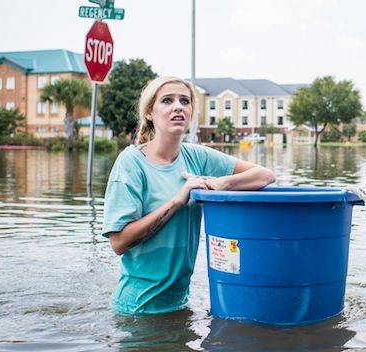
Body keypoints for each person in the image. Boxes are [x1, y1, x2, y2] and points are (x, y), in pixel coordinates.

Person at [102, 76, 275, 314]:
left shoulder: (197, 156)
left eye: (185, 101)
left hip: (179, 306)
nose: (178, 107)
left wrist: (223, 182)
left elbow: (265, 175)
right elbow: (119, 242)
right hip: (136, 311)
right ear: (150, 113)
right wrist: (176, 201)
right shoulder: (131, 162)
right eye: (167, 100)